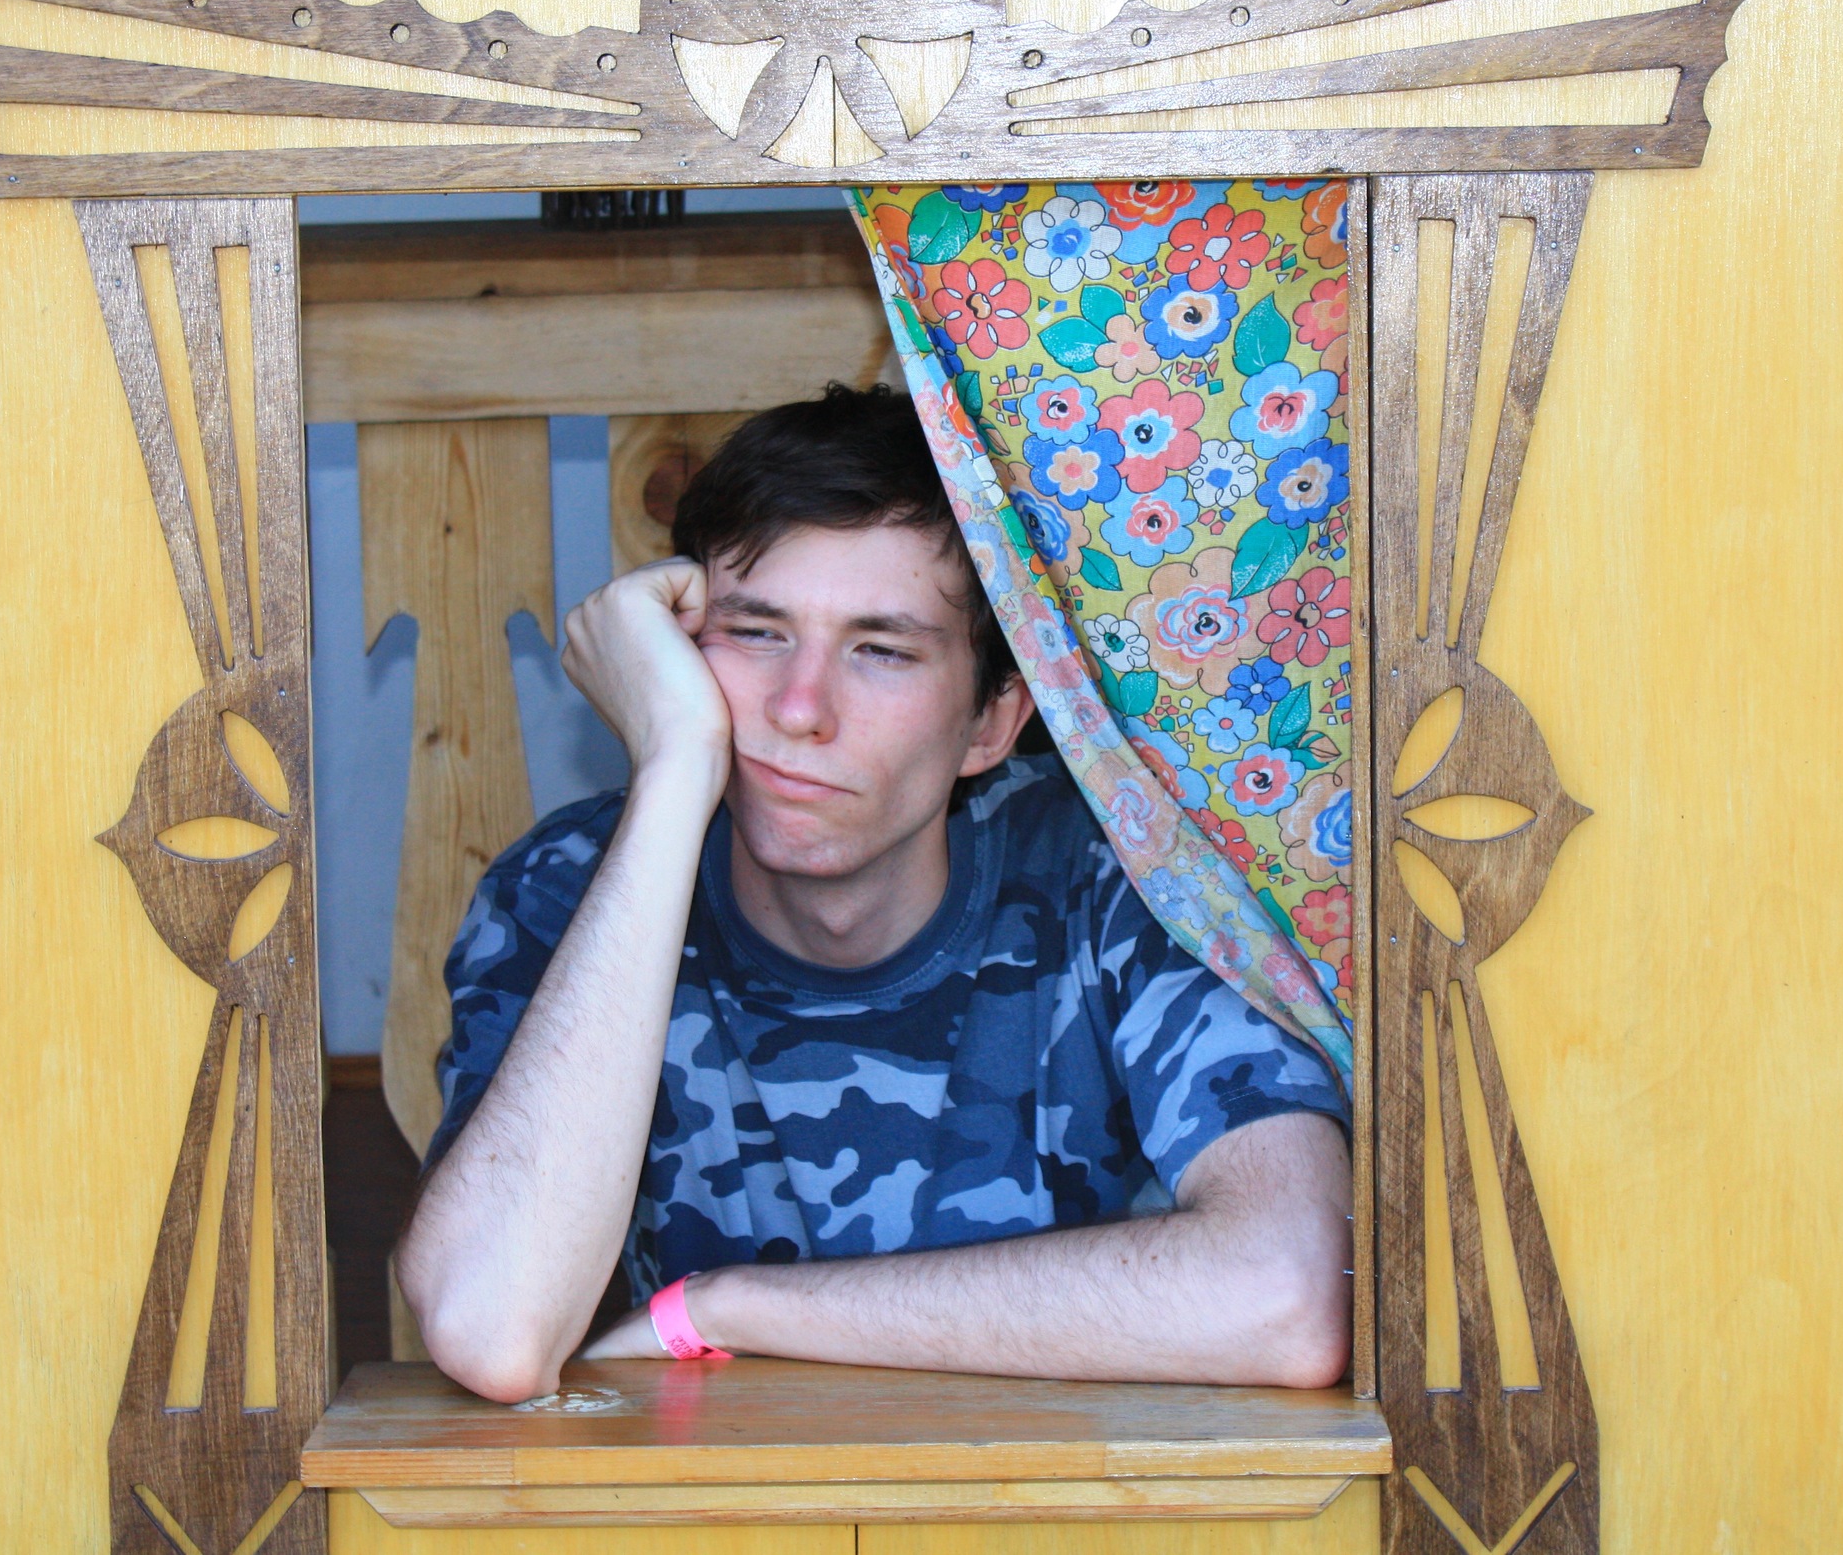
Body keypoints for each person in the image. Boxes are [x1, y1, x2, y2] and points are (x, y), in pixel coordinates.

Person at [397, 385, 1352, 1404]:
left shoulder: (1128, 871)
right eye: (754, 633)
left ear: (991, 722)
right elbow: (490, 1328)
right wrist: (674, 769)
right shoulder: (571, 886)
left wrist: (726, 1309)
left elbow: (1287, 1297)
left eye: (881, 651)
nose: (799, 709)